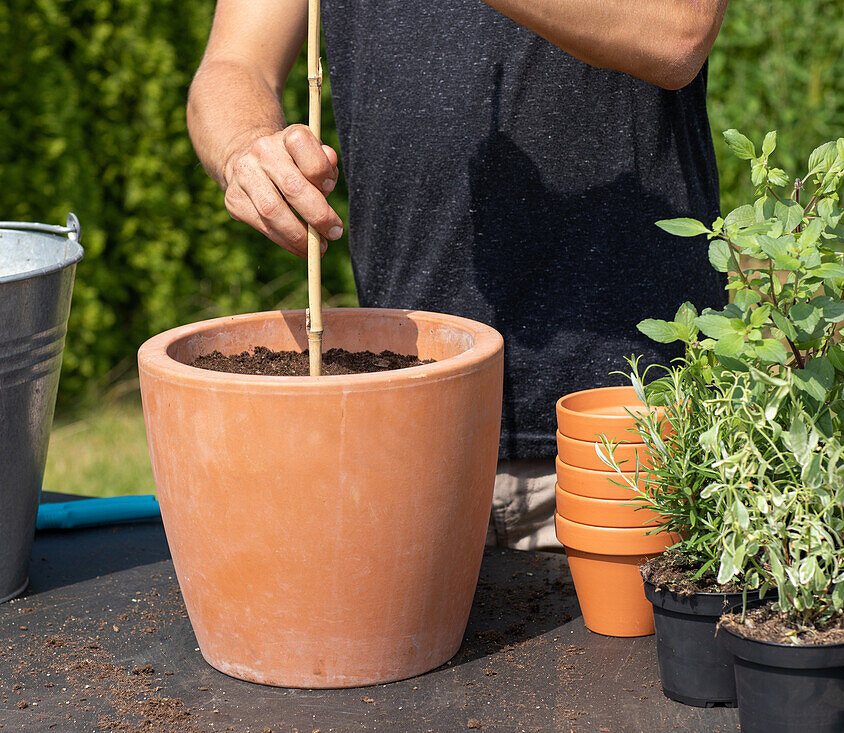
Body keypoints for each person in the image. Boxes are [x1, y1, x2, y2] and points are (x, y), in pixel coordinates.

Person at [186, 0, 729, 550]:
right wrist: (244, 148)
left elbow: (677, 31)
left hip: (624, 438)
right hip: (400, 443)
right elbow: (236, 64)